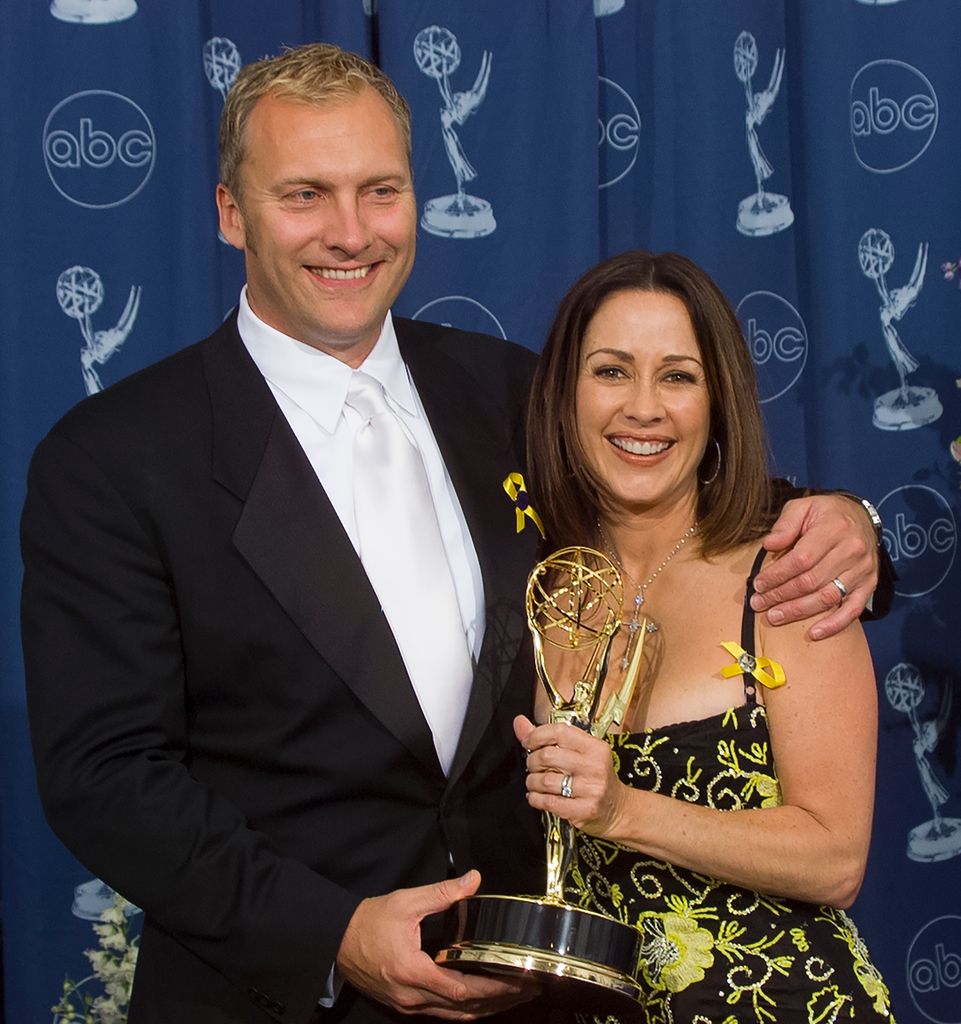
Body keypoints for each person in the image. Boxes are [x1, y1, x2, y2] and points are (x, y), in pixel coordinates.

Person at [20, 45, 888, 1024]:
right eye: (305, 194)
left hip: (528, 995)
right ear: (231, 213)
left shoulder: (506, 389)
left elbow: (672, 478)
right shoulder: (114, 456)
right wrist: (330, 932)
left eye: (379, 190)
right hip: (279, 995)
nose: (349, 232)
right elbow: (105, 776)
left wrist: (850, 524)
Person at [516, 251, 894, 1022]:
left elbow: (835, 858)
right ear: (564, 393)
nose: (644, 408)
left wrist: (622, 811)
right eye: (611, 371)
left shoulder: (785, 573)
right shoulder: (545, 587)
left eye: (678, 376)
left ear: (718, 401)